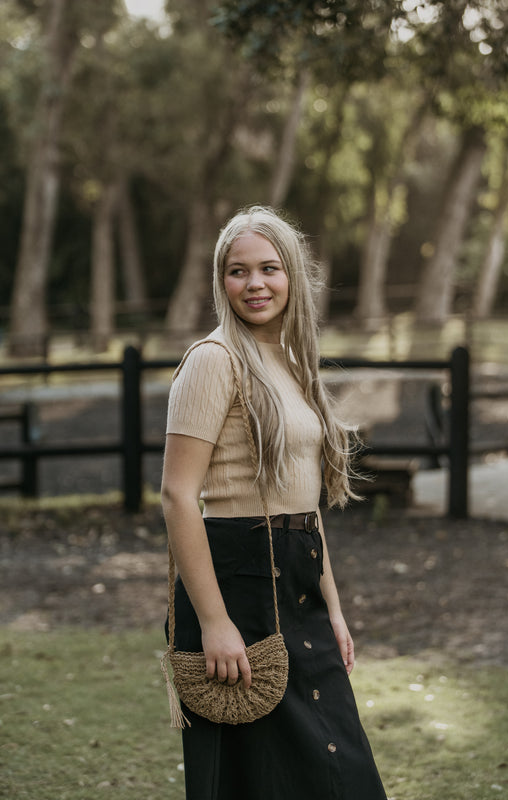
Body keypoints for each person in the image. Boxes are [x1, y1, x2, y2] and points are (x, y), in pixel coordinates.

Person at [161, 206, 387, 800]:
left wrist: (332, 608)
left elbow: (304, 506)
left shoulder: (292, 363)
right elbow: (178, 495)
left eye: (269, 268)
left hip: (298, 580)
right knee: (259, 779)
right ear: (221, 281)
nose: (255, 284)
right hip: (236, 586)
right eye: (238, 272)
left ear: (292, 276)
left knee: (342, 768)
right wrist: (214, 623)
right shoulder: (213, 361)